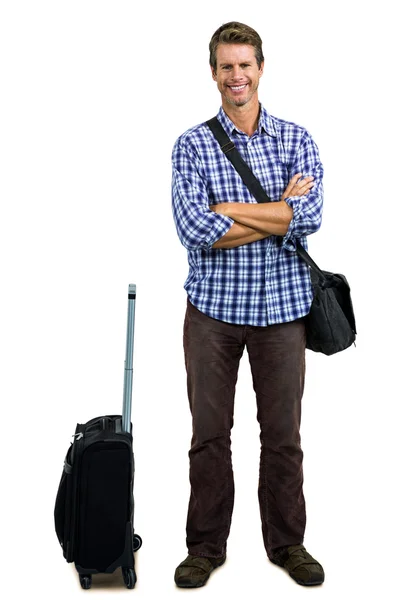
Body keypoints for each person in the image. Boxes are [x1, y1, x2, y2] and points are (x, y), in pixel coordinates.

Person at [171, 21, 325, 588]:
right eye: (226, 66)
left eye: (245, 64)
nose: (237, 75)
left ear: (261, 68)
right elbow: (194, 231)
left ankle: (288, 544)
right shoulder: (191, 144)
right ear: (213, 73)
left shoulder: (297, 140)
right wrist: (274, 212)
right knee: (209, 435)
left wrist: (228, 210)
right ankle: (205, 547)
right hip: (211, 312)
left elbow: (306, 219)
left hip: (283, 312)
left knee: (282, 435)